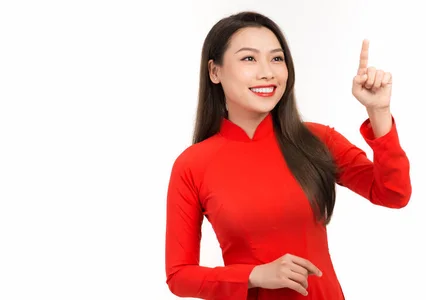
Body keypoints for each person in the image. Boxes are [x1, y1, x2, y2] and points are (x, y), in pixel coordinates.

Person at [164, 11, 412, 300]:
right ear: (214, 71)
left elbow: (394, 193)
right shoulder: (192, 165)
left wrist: (379, 112)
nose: (267, 72)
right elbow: (179, 276)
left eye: (277, 58)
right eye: (249, 58)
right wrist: (254, 275)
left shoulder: (317, 141)